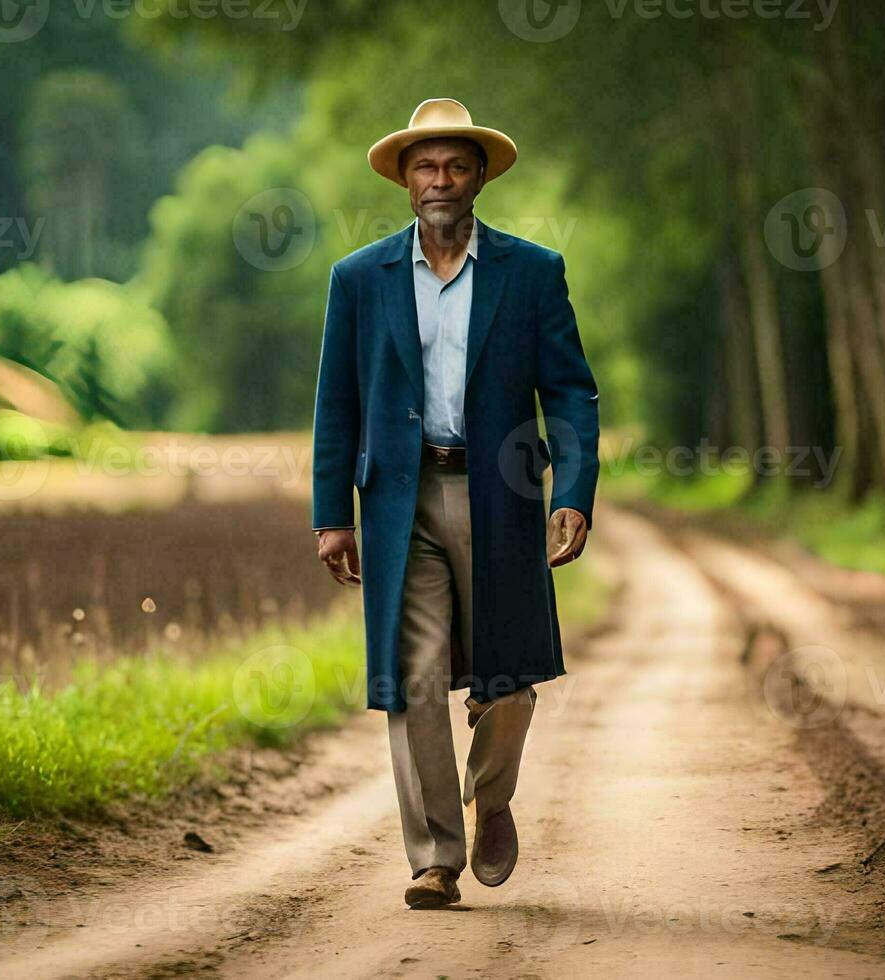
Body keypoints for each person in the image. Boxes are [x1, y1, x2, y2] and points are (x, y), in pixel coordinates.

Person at [310, 98, 601, 909]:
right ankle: (435, 855)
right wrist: (332, 514)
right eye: (426, 166)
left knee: (509, 677)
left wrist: (573, 492)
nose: (441, 180)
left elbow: (572, 393)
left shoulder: (533, 272)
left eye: (456, 166)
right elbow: (336, 403)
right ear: (405, 181)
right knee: (414, 676)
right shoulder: (357, 279)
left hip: (500, 495)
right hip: (398, 503)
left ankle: (491, 798)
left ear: (479, 178)